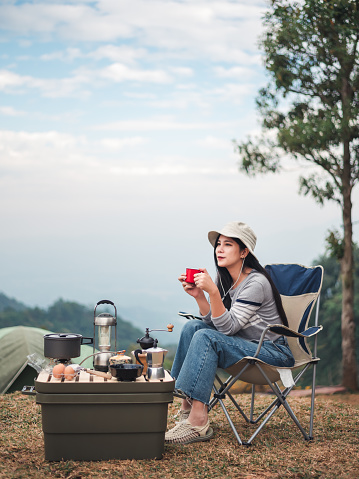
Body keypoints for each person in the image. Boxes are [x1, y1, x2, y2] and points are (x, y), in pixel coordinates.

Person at [165, 221, 294, 445]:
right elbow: (214, 321)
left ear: (244, 252)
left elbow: (227, 328)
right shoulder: (226, 279)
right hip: (242, 345)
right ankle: (186, 407)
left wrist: (213, 293)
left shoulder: (256, 283)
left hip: (272, 353)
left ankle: (198, 422)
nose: (219, 249)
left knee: (206, 337)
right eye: (218, 244)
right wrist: (200, 296)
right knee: (192, 328)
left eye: (228, 244)